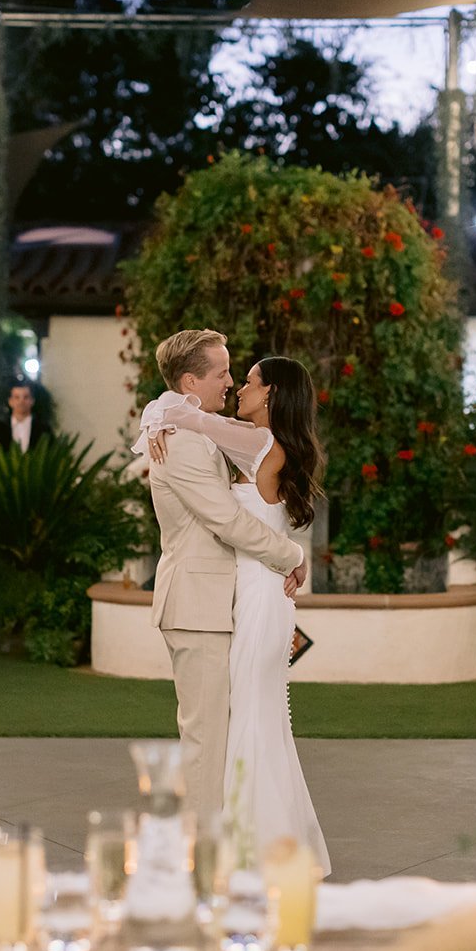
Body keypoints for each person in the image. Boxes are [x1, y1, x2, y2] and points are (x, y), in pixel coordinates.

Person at [140, 353, 329, 874]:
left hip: (259, 595)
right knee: (250, 721)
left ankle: (244, 854)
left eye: (247, 381)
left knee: (248, 722)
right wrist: (158, 417)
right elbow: (189, 416)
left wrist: (157, 418)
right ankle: (254, 846)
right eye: (229, 376)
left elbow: (190, 417)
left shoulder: (258, 442)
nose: (237, 387)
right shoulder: (259, 441)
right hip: (250, 593)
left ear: (270, 395)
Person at [0, 378, 52, 453]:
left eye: (26, 397)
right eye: (17, 397)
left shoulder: (44, 429)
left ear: (32, 401)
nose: (21, 401)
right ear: (10, 402)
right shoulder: (0, 428)